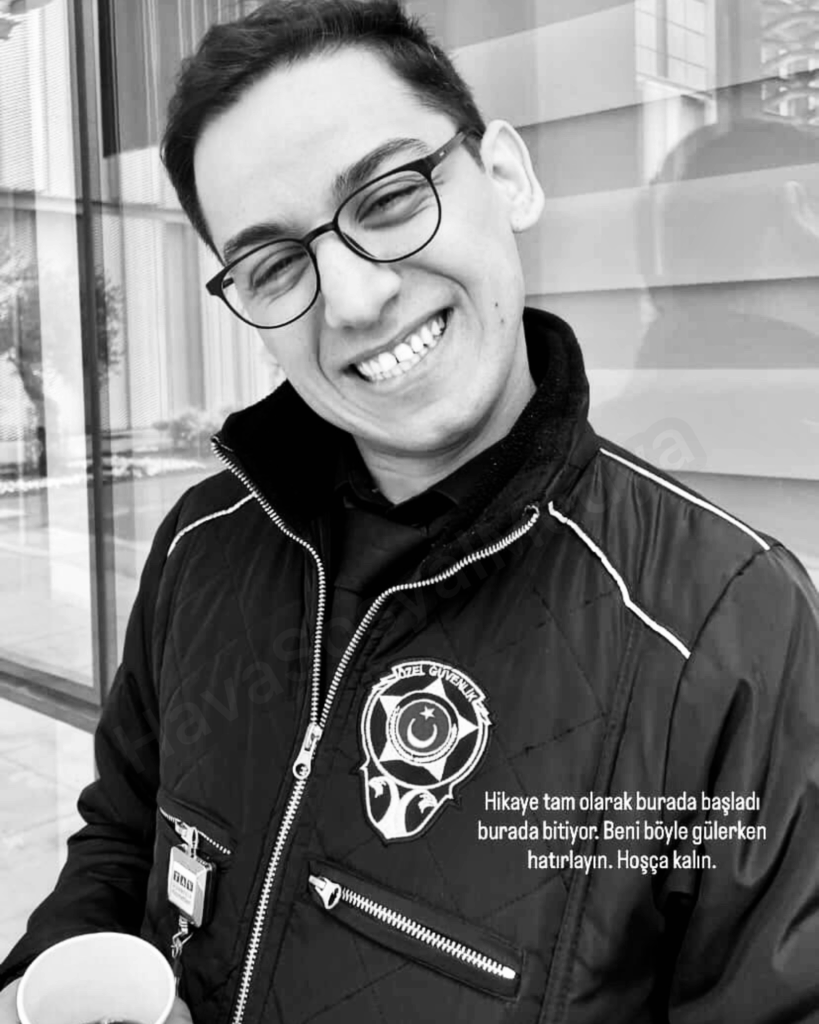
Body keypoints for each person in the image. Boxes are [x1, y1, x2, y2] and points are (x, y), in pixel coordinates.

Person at [2, 2, 819, 1022]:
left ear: (506, 176)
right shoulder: (202, 543)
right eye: (275, 265)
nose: (352, 300)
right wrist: (49, 973)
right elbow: (124, 835)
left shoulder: (726, 631)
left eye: (389, 198)